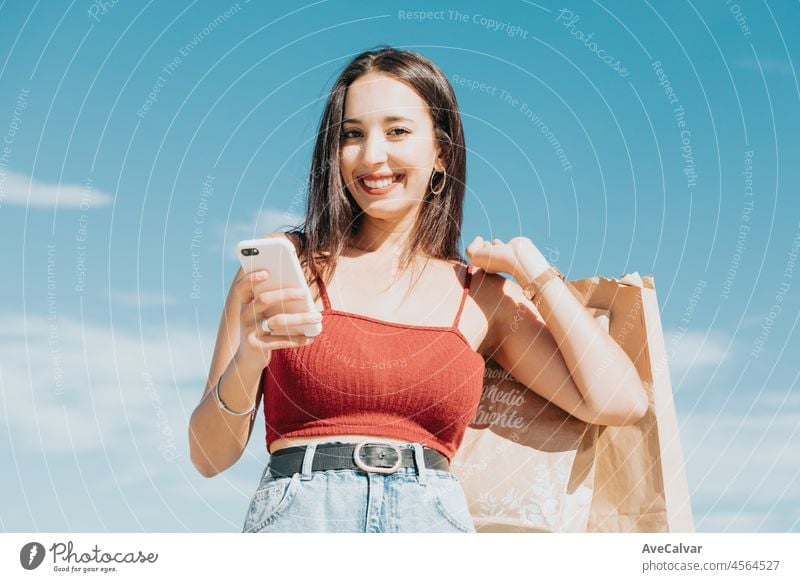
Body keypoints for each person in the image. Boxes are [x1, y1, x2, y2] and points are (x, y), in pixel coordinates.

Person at [188, 46, 648, 533]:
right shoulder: (287, 265)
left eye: (397, 131)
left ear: (441, 154)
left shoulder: (481, 297)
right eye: (352, 135)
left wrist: (533, 271)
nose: (371, 156)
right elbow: (206, 456)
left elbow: (619, 401)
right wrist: (250, 357)